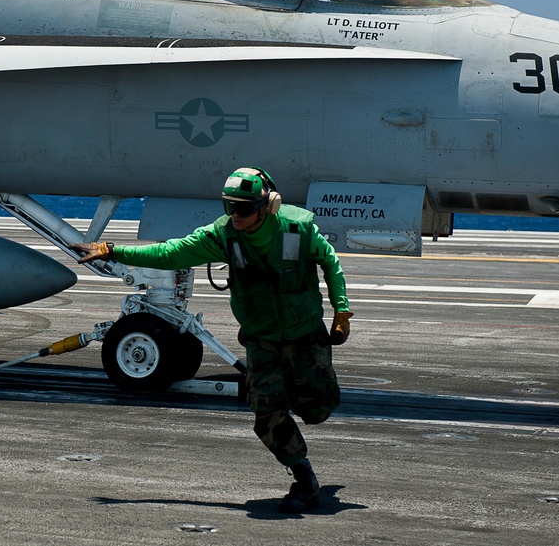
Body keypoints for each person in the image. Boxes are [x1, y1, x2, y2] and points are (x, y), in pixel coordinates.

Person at [71, 167, 352, 513]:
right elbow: (170, 253)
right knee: (265, 412)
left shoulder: (298, 228)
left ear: (268, 206)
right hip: (261, 338)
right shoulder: (223, 236)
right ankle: (303, 478)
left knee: (317, 408)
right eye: (228, 206)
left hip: (305, 334)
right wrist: (113, 250)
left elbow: (330, 262)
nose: (234, 215)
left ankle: (300, 394)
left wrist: (342, 311)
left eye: (243, 209)